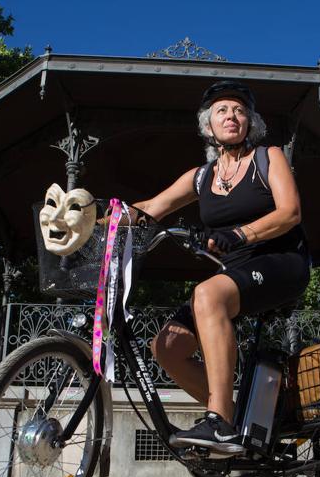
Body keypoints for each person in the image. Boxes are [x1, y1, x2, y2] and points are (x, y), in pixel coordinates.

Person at [130, 81, 309, 454]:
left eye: (240, 111)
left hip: (281, 262)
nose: (232, 116)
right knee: (166, 347)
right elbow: (151, 207)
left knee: (207, 293)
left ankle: (220, 421)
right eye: (223, 111)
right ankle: (246, 414)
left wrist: (242, 234)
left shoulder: (267, 156)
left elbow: (290, 212)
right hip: (237, 271)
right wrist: (92, 214)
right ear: (208, 125)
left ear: (251, 123)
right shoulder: (202, 176)